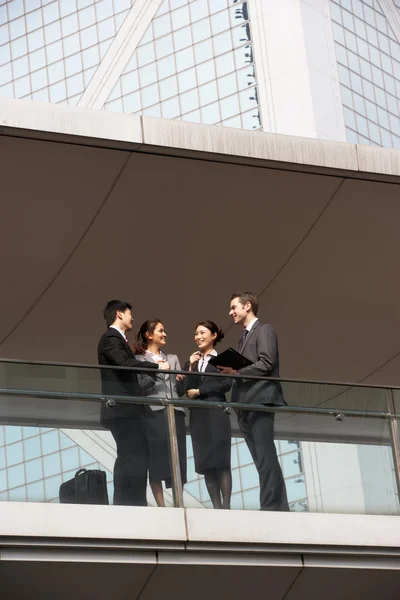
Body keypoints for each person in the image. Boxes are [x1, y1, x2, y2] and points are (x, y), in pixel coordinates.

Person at [217, 292, 289, 512]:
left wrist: (237, 371)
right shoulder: (243, 338)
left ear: (247, 306)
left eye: (234, 307)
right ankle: (278, 505)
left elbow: (267, 362)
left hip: (261, 400)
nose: (231, 312)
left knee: (265, 456)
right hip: (246, 404)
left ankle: (270, 506)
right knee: (261, 459)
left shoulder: (265, 330)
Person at [97, 300, 168, 506]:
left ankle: (131, 502)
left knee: (133, 455)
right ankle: (130, 503)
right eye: (129, 313)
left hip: (126, 409)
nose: (132, 318)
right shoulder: (111, 338)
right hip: (122, 409)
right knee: (132, 456)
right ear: (119, 314)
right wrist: (154, 366)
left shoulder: (117, 339)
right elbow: (124, 363)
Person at [177, 321, 232, 509]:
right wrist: (191, 368)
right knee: (206, 463)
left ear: (214, 335)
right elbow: (181, 389)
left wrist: (200, 391)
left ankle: (226, 507)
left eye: (202, 332)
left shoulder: (224, 359)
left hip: (217, 413)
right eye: (196, 333)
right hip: (198, 417)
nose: (198, 337)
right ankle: (217, 508)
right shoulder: (190, 362)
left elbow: (226, 384)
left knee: (221, 461)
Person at [134, 319, 187, 507]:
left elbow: (181, 389)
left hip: (175, 411)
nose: (165, 334)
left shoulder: (172, 358)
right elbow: (140, 386)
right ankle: (161, 506)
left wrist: (181, 380)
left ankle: (178, 504)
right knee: (156, 457)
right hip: (153, 411)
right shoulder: (139, 360)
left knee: (178, 456)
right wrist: (157, 369)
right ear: (149, 335)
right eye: (161, 331)